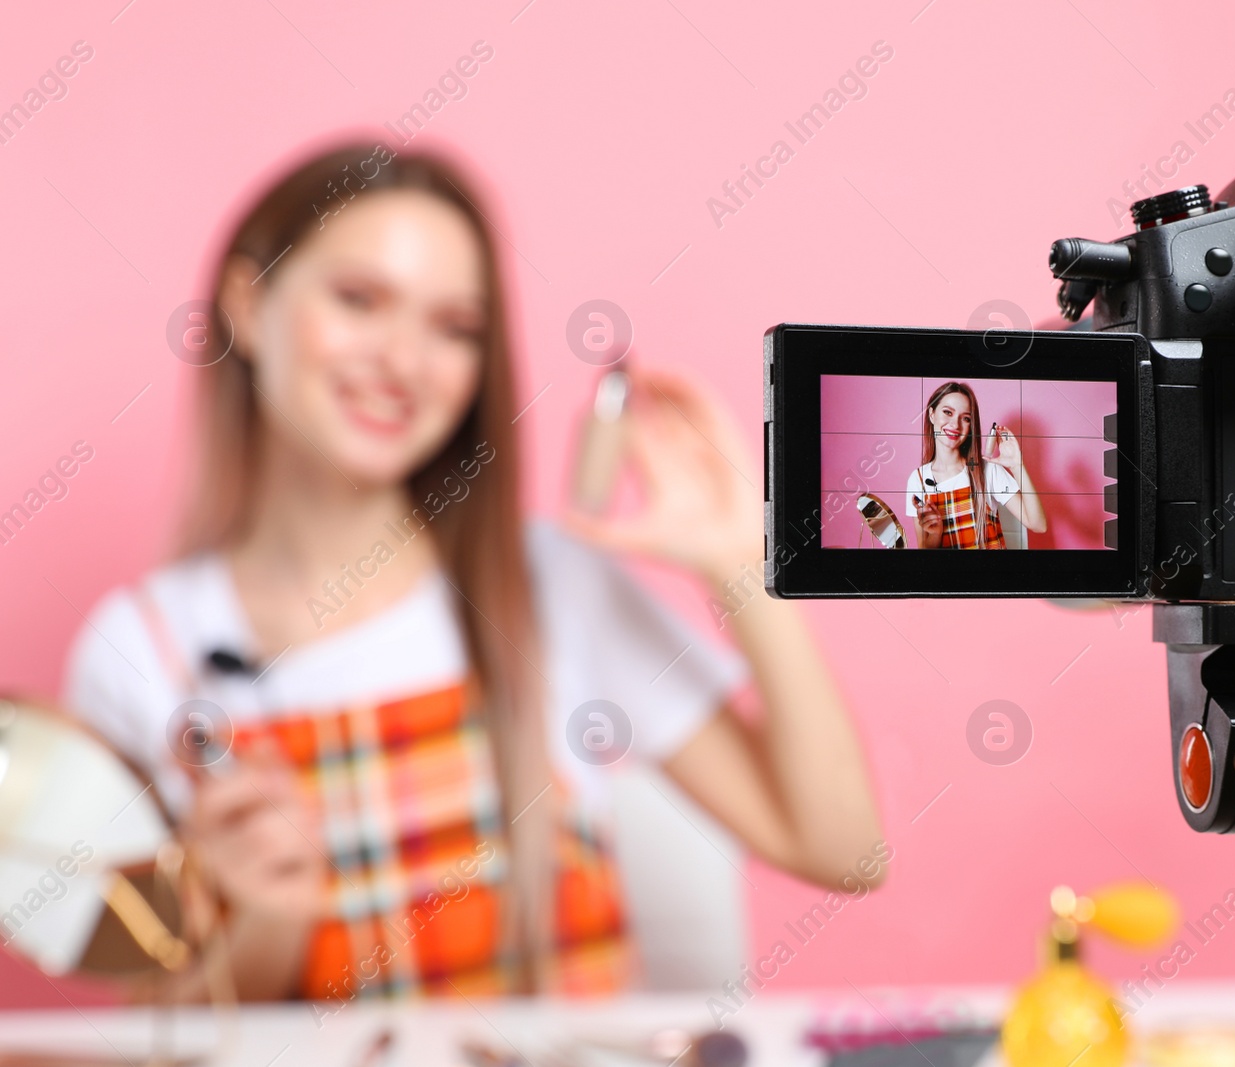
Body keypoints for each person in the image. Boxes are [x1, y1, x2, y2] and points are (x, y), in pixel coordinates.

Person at [62, 140, 882, 1002]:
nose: (404, 362)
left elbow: (849, 851)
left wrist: (742, 566)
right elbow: (160, 1040)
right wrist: (262, 917)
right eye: (359, 299)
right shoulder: (140, 651)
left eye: (454, 327)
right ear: (247, 303)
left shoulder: (551, 585)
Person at [905, 381, 1047, 549]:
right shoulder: (918, 479)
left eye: (965, 418)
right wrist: (935, 533)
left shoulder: (988, 470)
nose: (955, 424)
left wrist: (1017, 465)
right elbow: (924, 547)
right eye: (947, 412)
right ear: (931, 414)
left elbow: (1038, 525)